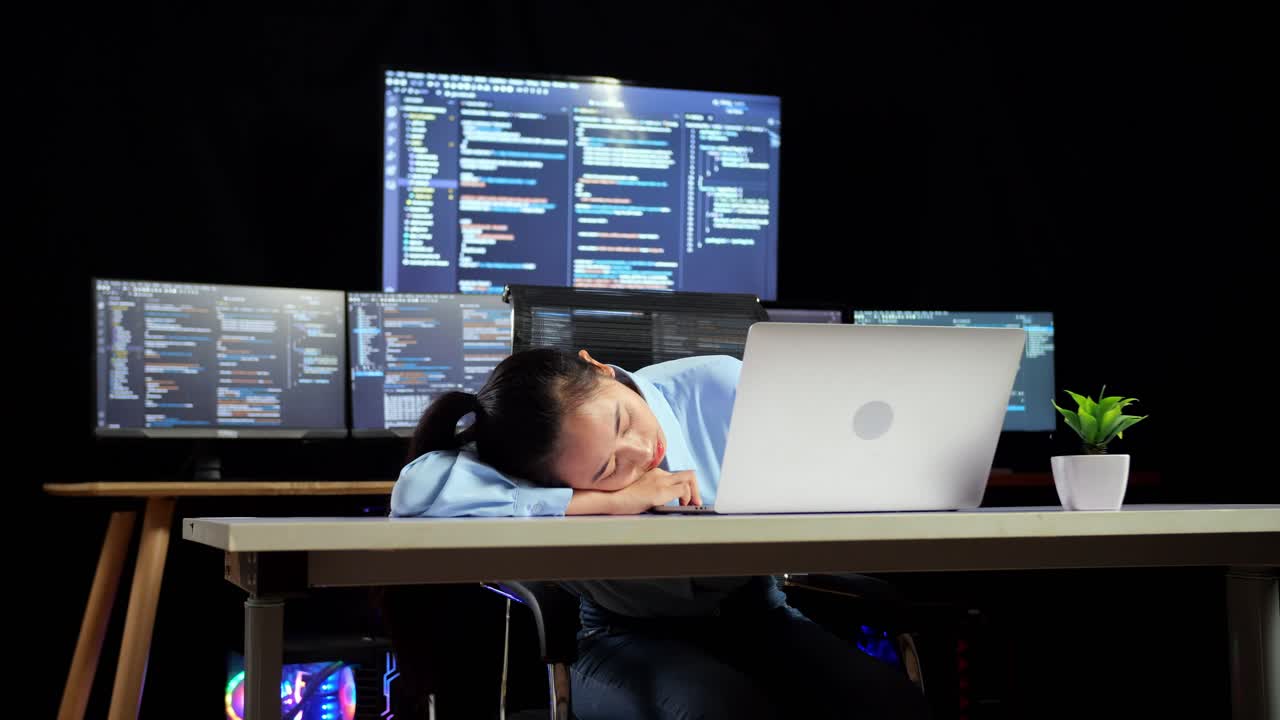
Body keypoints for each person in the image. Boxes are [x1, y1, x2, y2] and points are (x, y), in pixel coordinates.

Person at [391, 348, 930, 719]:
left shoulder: (721, 385)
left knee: (890, 703)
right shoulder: (526, 459)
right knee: (720, 710)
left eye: (625, 422)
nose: (640, 453)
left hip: (758, 615)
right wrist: (618, 499)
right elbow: (418, 493)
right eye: (605, 470)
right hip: (623, 636)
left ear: (601, 369)